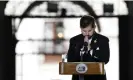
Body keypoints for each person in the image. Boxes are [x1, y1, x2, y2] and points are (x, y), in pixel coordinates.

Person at [67, 15, 110, 80]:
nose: (87, 33)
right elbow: (70, 61)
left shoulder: (103, 40)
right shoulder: (74, 40)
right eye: (84, 31)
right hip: (78, 77)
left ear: (94, 27)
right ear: (80, 28)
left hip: (97, 78)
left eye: (89, 31)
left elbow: (105, 60)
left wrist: (91, 50)